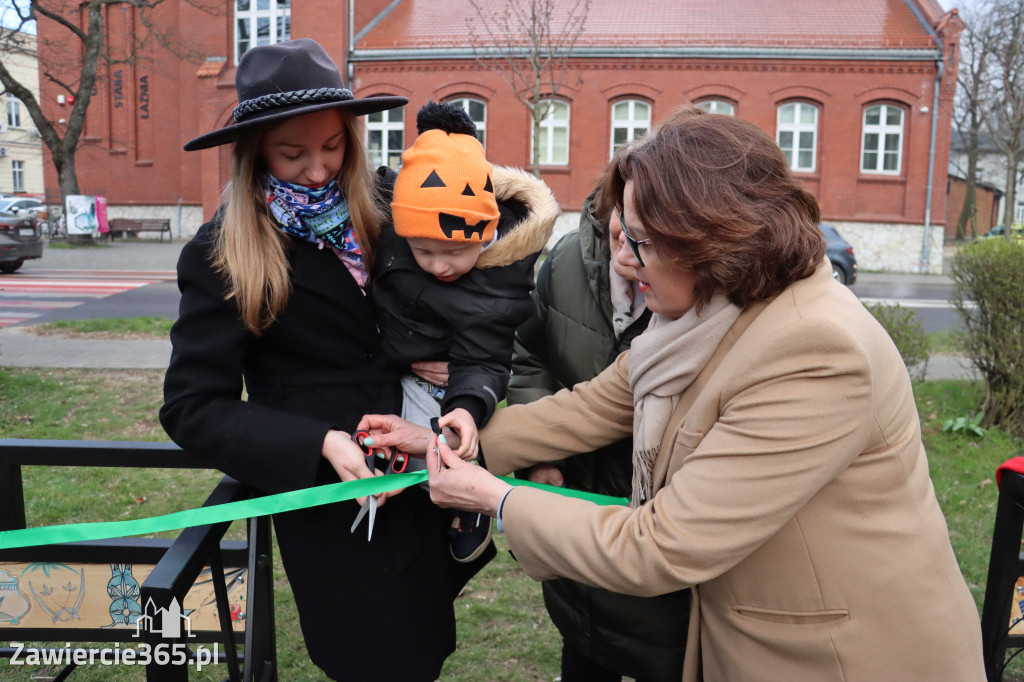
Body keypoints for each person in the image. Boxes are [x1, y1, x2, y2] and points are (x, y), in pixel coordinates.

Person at [362, 107, 987, 681]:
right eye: (621, 234)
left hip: (842, 659)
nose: (625, 263)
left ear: (710, 240)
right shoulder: (708, 313)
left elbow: (659, 545)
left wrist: (496, 499)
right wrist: (436, 441)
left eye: (640, 241)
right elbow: (593, 406)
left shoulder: (814, 349)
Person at [159, 39, 493, 682]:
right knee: (371, 657)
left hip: (421, 472)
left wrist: (453, 364)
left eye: (334, 146)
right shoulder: (221, 254)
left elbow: (474, 278)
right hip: (335, 506)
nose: (319, 171)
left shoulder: (393, 207)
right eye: (293, 153)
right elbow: (191, 408)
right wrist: (317, 442)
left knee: (424, 650)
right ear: (255, 151)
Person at [508, 178, 690, 681]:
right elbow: (530, 356)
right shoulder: (567, 262)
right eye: (625, 225)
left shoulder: (705, 292)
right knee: (587, 647)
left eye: (654, 237)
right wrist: (539, 459)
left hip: (663, 537)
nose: (630, 247)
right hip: (578, 520)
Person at [374, 99, 557, 562]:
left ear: (485, 232)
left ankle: (469, 502)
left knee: (451, 429)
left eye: (454, 251)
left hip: (458, 370)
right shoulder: (394, 229)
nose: (439, 266)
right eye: (423, 250)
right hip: (397, 359)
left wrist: (468, 407)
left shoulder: (503, 278)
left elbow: (487, 357)